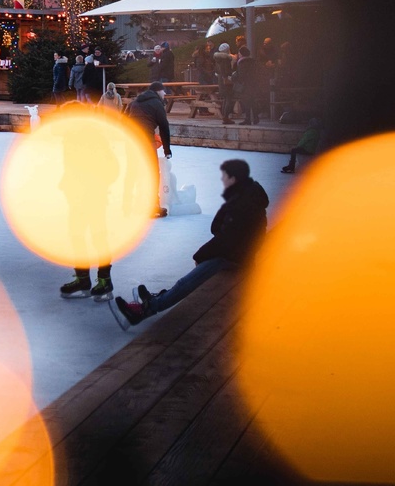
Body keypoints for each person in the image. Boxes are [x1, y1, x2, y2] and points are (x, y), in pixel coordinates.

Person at [110, 159, 270, 329]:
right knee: (196, 273)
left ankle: (147, 309)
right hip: (236, 254)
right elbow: (216, 228)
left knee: (190, 279)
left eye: (225, 176)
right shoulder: (243, 199)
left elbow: (226, 240)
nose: (222, 180)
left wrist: (200, 256)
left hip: (237, 259)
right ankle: (158, 298)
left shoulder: (245, 207)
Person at [56, 100, 120, 299]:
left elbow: (112, 167)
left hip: (93, 195)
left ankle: (105, 280)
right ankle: (83, 278)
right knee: (76, 235)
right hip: (76, 195)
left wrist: (98, 185)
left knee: (98, 235)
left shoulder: (93, 137)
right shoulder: (70, 137)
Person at [125, 80, 174, 219]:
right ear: (158, 91)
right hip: (145, 141)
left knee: (132, 173)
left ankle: (126, 205)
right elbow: (164, 127)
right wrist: (167, 150)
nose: (165, 93)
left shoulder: (134, 102)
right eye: (164, 91)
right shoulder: (157, 103)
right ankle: (153, 207)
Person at [233, 45, 263, 125]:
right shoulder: (253, 62)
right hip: (253, 84)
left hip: (245, 86)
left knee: (246, 102)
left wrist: (235, 76)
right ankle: (256, 117)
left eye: (239, 53)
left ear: (241, 54)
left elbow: (241, 76)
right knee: (252, 101)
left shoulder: (242, 63)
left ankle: (248, 119)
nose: (238, 54)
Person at [213, 42, 238, 124]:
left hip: (220, 80)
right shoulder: (226, 59)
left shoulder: (217, 59)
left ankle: (224, 116)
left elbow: (217, 71)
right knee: (229, 98)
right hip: (226, 80)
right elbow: (227, 71)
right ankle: (226, 117)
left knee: (225, 99)